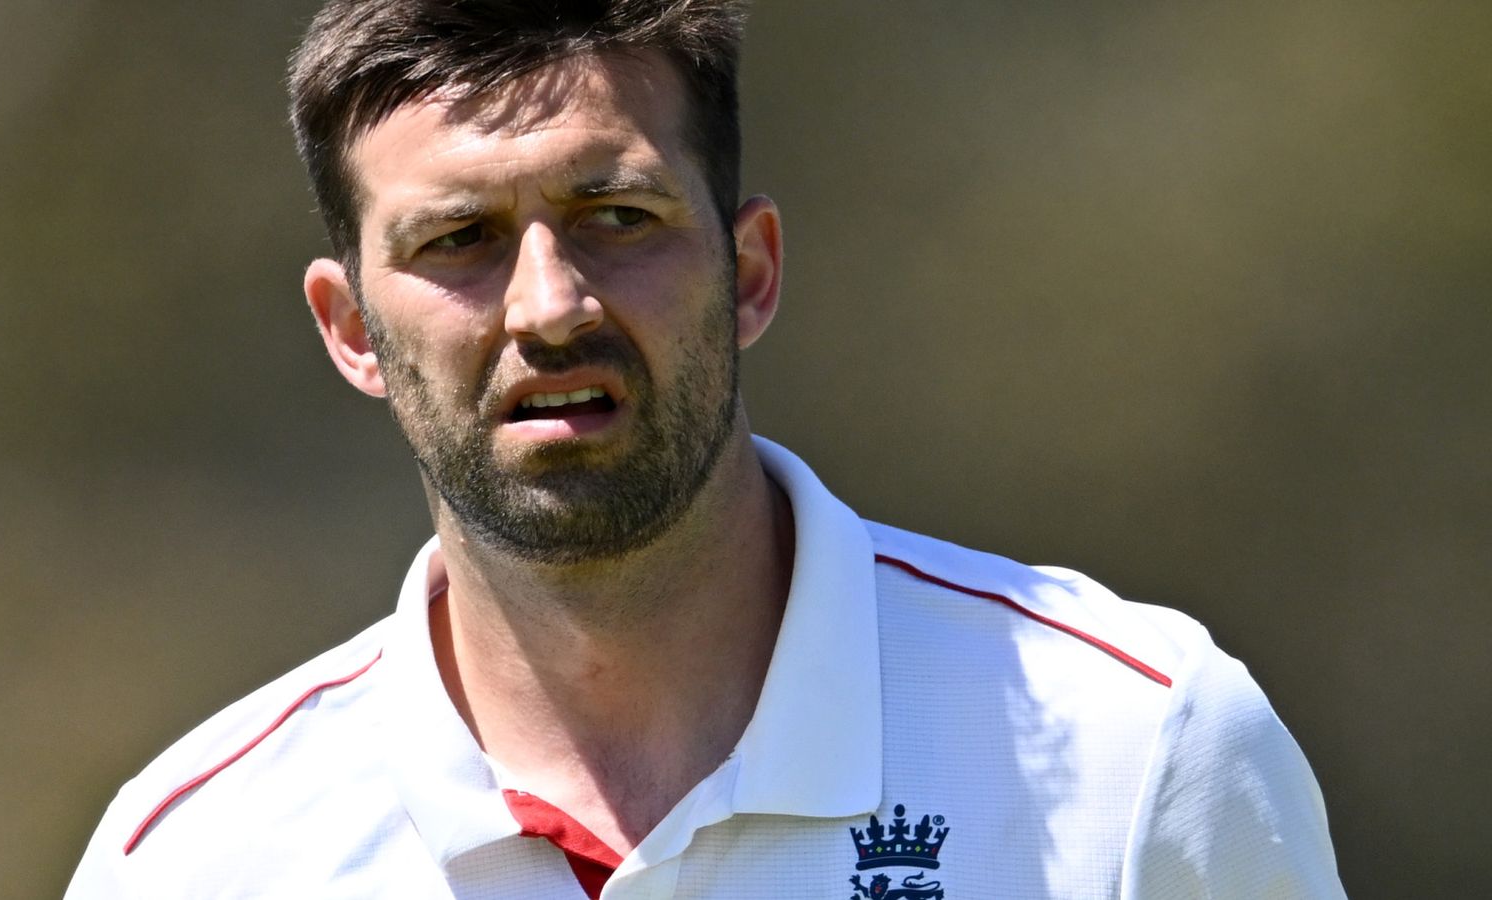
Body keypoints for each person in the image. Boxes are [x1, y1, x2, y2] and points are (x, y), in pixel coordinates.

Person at [67, 2, 1345, 897]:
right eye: (457, 241)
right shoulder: (194, 860)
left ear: (748, 272)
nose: (550, 305)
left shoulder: (1142, 747)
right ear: (349, 329)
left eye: (614, 216)